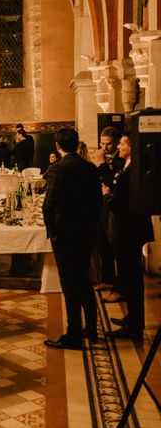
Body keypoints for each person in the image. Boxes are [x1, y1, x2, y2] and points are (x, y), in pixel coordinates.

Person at [43, 127, 101, 350]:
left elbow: (48, 206)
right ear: (77, 144)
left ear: (58, 146)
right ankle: (92, 329)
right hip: (86, 232)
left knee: (69, 284)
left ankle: (74, 334)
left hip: (65, 234)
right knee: (83, 279)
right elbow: (98, 202)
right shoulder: (89, 168)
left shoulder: (58, 169)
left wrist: (52, 232)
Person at [102, 135, 154, 340]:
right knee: (129, 277)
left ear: (132, 147)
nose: (119, 146)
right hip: (129, 230)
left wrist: (106, 194)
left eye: (123, 143)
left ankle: (135, 326)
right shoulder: (127, 166)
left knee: (132, 279)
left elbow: (118, 204)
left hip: (129, 231)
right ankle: (133, 318)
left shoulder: (133, 172)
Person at [92, 126, 125, 300]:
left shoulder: (121, 160)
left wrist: (101, 165)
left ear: (117, 143)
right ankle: (108, 279)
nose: (104, 148)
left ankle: (120, 286)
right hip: (101, 207)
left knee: (115, 248)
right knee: (102, 242)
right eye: (102, 143)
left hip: (114, 207)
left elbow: (111, 183)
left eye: (109, 144)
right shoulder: (101, 158)